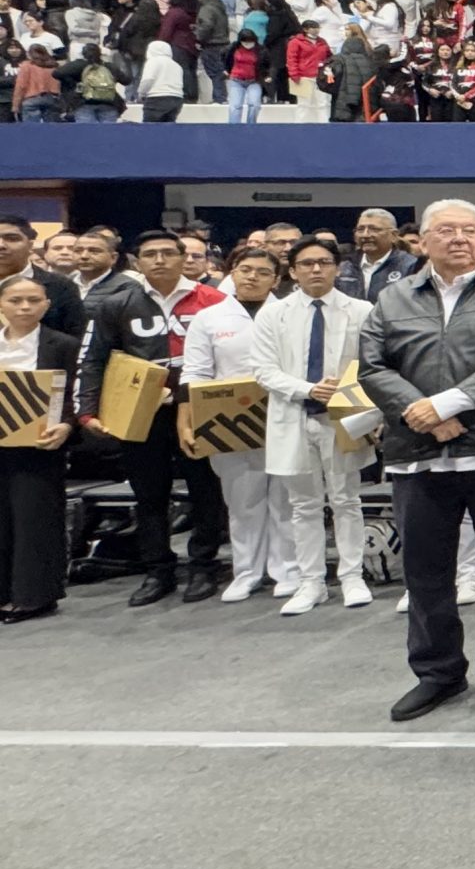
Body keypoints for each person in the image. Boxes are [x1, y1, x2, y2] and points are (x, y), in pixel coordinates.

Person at [358, 199, 475, 721]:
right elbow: (372, 366)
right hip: (418, 454)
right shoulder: (393, 297)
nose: (459, 238)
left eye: (470, 230)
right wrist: (421, 412)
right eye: (445, 230)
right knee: (425, 574)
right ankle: (437, 672)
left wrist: (449, 404)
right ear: (422, 241)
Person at [73, 226, 233, 605]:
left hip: (198, 408)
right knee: (149, 494)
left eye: (167, 253)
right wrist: (87, 411)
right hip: (141, 410)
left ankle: (203, 565)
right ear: (136, 261)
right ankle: (157, 570)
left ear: (184, 258)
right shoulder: (115, 303)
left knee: (206, 491)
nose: (159, 260)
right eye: (150, 254)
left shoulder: (213, 300)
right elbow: (93, 359)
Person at [251, 237, 376, 616]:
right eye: (306, 264)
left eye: (324, 262)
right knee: (303, 505)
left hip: (343, 417)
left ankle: (352, 576)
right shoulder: (274, 314)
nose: (316, 269)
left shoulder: (361, 310)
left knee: (346, 500)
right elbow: (263, 369)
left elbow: (373, 364)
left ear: (337, 268)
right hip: (294, 414)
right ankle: (311, 581)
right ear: (292, 271)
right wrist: (307, 389)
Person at [178, 247, 297, 604]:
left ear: (276, 280)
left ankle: (288, 570)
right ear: (232, 272)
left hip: (284, 412)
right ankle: (246, 571)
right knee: (242, 500)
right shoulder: (209, 318)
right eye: (245, 269)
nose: (252, 277)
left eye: (263, 272)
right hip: (229, 417)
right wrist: (188, 420)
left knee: (287, 499)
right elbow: (195, 372)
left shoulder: (291, 313)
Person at [0, 273, 80, 623]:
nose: (24, 307)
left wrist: (68, 425)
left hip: (40, 444)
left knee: (35, 519)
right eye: (15, 300)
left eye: (33, 301)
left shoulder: (63, 344)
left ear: (46, 306)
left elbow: (78, 393)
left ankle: (35, 596)